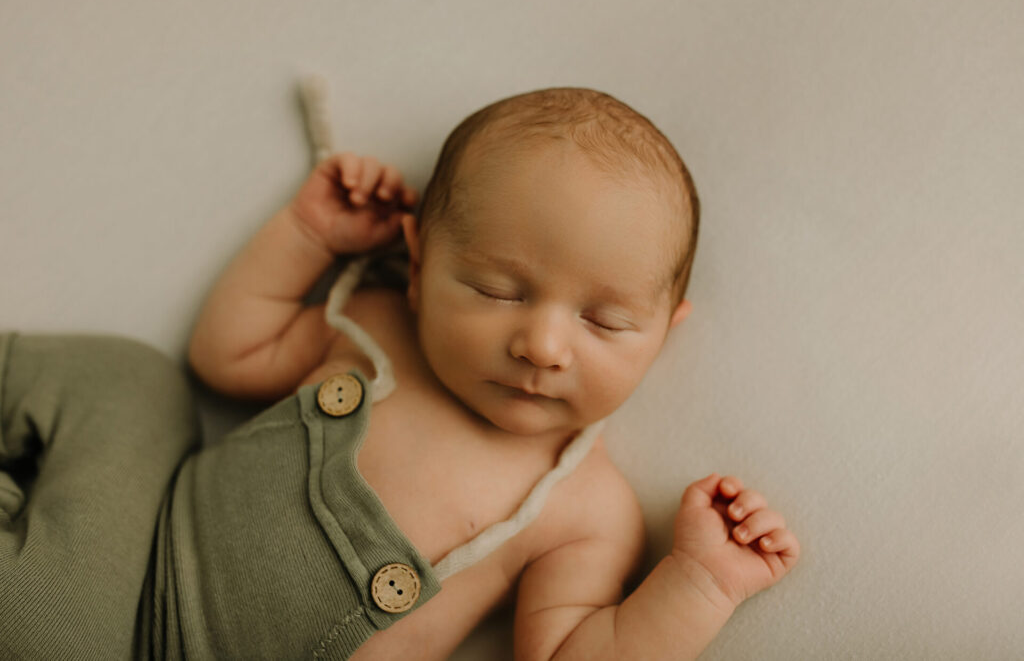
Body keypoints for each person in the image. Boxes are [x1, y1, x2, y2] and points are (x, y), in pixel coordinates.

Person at [0, 87, 799, 660]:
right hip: (136, 538)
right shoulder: (376, 325)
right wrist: (309, 236)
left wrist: (698, 584)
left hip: (88, 637)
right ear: (417, 268)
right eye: (498, 290)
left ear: (664, 334)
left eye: (605, 322)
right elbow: (228, 352)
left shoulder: (586, 507)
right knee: (133, 380)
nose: (543, 345)